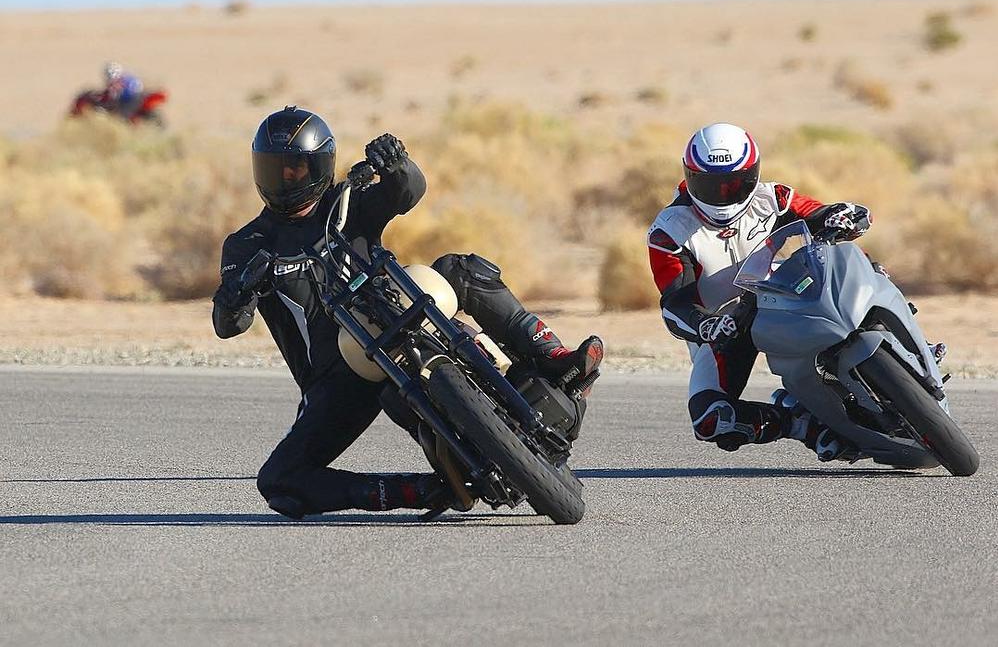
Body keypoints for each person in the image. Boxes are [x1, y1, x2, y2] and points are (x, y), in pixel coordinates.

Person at [213, 106, 603, 519]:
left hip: (402, 312)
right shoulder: (247, 243)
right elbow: (227, 325)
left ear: (321, 166)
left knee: (459, 269)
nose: (286, 179)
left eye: (296, 168)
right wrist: (239, 291)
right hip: (338, 376)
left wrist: (397, 163)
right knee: (279, 480)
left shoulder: (346, 202)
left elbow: (407, 191)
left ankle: (556, 358)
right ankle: (417, 490)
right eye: (276, 170)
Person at [647, 122, 874, 461]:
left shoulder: (775, 198)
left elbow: (819, 213)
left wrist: (843, 215)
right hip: (727, 326)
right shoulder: (669, 233)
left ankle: (904, 335)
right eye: (711, 185)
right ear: (690, 177)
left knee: (854, 262)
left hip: (787, 297)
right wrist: (706, 325)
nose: (724, 194)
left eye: (735, 184)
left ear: (753, 173)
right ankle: (799, 423)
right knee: (710, 420)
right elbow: (675, 303)